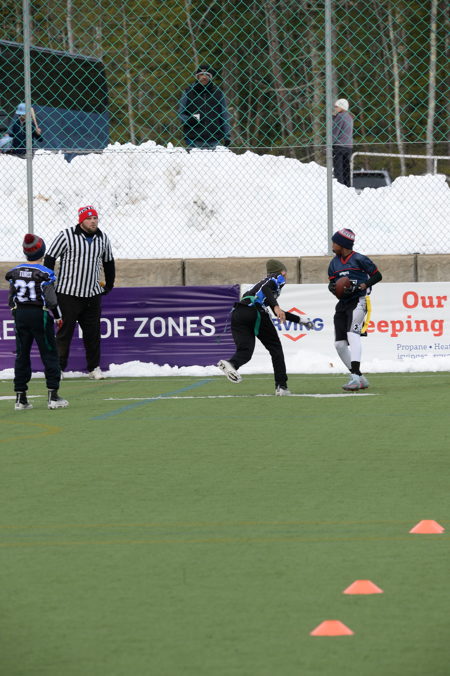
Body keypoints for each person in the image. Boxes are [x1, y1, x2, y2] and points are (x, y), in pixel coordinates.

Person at [217, 259, 314, 396]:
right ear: (282, 272)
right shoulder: (275, 279)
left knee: (246, 351)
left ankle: (231, 364)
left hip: (238, 313)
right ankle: (281, 386)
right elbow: (267, 290)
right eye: (285, 273)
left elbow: (276, 310)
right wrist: (276, 306)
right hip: (255, 312)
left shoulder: (258, 287)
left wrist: (301, 320)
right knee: (275, 348)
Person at [43, 206, 115, 380]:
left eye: (95, 218)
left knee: (93, 333)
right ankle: (58, 368)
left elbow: (109, 262)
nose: (93, 222)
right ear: (81, 221)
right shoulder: (66, 235)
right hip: (68, 293)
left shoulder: (103, 238)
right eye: (89, 219)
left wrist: (109, 284)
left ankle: (94, 367)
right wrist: (49, 284)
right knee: (64, 333)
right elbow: (50, 258)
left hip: (92, 294)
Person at [5, 234, 68, 410]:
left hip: (21, 314)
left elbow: (11, 298)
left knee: (22, 354)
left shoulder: (15, 271)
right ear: (42, 251)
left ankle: (20, 397)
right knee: (49, 353)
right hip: (39, 314)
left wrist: (15, 311)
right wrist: (58, 316)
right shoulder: (45, 273)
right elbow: (52, 300)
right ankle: (53, 396)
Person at [328, 229, 382, 391]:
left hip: (359, 301)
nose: (332, 245)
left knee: (353, 334)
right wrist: (333, 288)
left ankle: (355, 377)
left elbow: (377, 276)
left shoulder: (359, 259)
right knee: (339, 344)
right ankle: (359, 378)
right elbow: (332, 283)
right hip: (343, 304)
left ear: (342, 244)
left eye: (335, 242)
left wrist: (362, 286)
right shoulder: (334, 263)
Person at [178, 65, 231, 149]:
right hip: (193, 140)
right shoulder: (188, 92)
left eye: (207, 75)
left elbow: (224, 115)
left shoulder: (218, 93)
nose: (204, 77)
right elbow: (181, 113)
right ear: (197, 77)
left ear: (210, 77)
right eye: (201, 75)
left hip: (214, 140)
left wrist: (227, 136)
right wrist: (189, 120)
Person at [332, 98, 353, 187]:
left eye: (336, 106)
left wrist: (329, 144)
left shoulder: (340, 116)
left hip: (339, 146)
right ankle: (347, 187)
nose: (335, 108)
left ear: (342, 107)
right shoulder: (349, 117)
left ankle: (339, 187)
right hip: (348, 146)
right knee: (346, 169)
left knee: (338, 170)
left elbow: (335, 132)